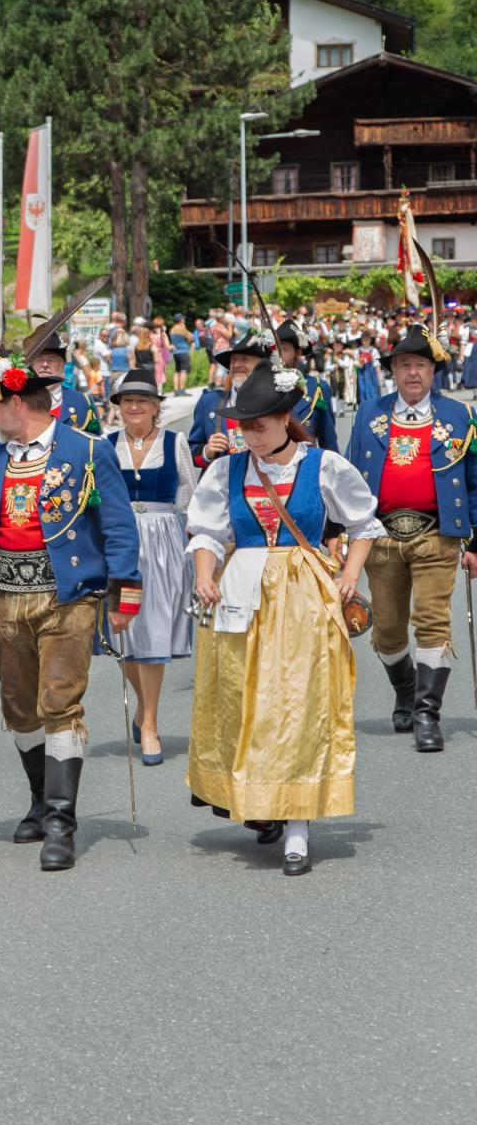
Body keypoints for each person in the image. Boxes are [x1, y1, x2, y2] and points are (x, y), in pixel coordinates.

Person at [186, 358, 382, 877]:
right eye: (244, 425)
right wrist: (205, 575)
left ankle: (298, 827)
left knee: (297, 704)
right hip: (241, 594)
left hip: (303, 597)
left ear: (285, 418)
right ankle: (258, 803)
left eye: (260, 424)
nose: (249, 433)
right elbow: (206, 532)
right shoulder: (226, 469)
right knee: (246, 700)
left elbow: (364, 524)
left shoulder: (323, 466)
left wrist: (348, 578)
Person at [0, 358, 141, 872]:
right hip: (7, 597)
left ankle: (61, 822)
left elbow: (120, 525)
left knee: (59, 701)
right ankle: (39, 798)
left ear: (17, 404)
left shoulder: (87, 451)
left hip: (69, 595)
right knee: (19, 708)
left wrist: (125, 591)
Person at [346, 323, 477, 752]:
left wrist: (475, 542)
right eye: (404, 364)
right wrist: (337, 533)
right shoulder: (369, 413)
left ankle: (426, 712)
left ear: (433, 370)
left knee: (433, 620)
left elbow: (474, 481)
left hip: (437, 535)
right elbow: (346, 479)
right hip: (380, 538)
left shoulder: (460, 415)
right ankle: (405, 689)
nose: (412, 373)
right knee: (385, 631)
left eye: (420, 364)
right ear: (394, 370)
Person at [100, 369, 196, 764]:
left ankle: (151, 723)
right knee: (124, 634)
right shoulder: (106, 445)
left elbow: (189, 496)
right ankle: (143, 705)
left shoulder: (175, 442)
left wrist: (195, 549)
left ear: (157, 407)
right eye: (126, 401)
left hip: (163, 542)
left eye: (142, 401)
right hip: (121, 544)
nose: (134, 407)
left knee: (153, 632)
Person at [187, 331, 270, 470]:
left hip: (261, 486)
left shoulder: (275, 402)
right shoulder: (209, 401)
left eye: (245, 359)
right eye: (234, 360)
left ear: (261, 367)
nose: (237, 365)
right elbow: (189, 452)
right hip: (221, 487)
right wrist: (207, 452)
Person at [275, 321, 339, 451]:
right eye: (275, 349)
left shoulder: (317, 388)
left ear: (298, 352)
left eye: (284, 349)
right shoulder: (262, 386)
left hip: (307, 466)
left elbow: (328, 441)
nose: (278, 355)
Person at [32, 332, 100, 436]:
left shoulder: (82, 401)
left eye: (51, 360)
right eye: (39, 359)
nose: (45, 364)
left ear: (62, 366)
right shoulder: (20, 400)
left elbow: (95, 443)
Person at [169, 314, 193, 392]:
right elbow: (191, 337)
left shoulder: (172, 329)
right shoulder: (182, 329)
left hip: (176, 352)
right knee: (183, 371)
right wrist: (188, 342)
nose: (184, 320)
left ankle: (176, 390)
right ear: (181, 320)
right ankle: (182, 390)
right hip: (183, 351)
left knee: (177, 371)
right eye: (183, 319)